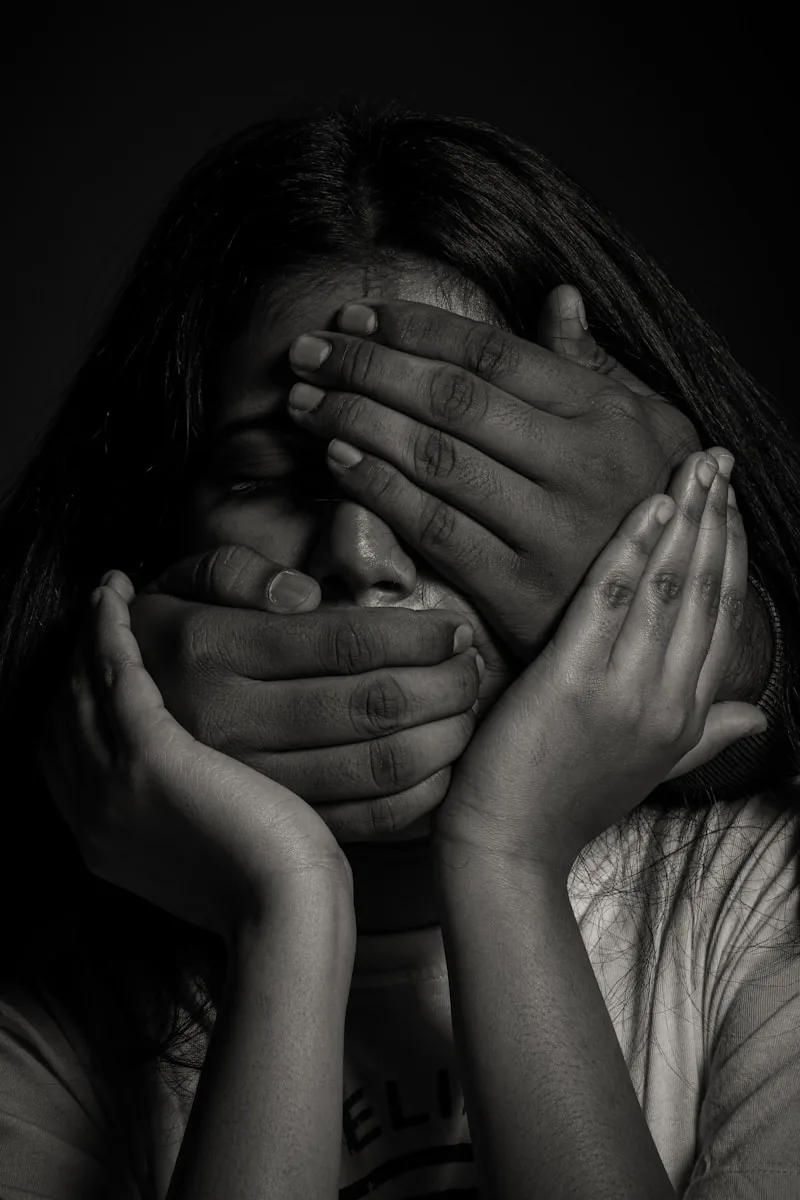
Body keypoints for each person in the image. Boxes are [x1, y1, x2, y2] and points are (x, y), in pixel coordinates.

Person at [0, 99, 797, 1199]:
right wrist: (284, 909)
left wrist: (504, 856)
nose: (362, 553)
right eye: (268, 479)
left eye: (445, 476)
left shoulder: (754, 912)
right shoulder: (58, 1020)